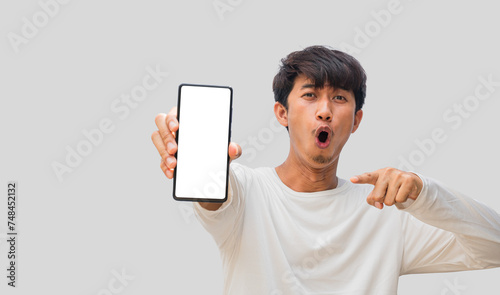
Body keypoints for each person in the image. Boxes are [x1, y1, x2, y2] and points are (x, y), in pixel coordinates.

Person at [151, 45, 500, 294]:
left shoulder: (385, 212)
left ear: (356, 120)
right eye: (309, 95)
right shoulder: (245, 192)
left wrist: (425, 193)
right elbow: (214, 199)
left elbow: (494, 247)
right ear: (282, 113)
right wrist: (194, 153)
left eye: (339, 98)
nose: (324, 111)